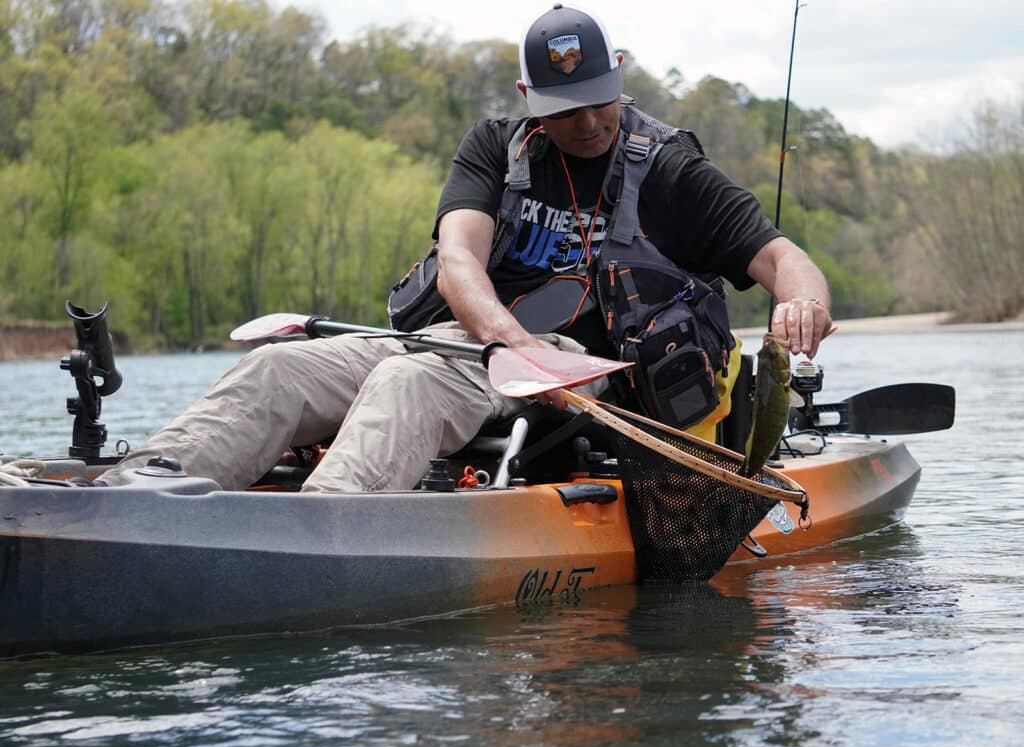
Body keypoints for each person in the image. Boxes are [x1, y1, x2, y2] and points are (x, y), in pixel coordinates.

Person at [99, 4, 833, 493]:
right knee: (280, 366)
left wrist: (802, 302)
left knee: (407, 386)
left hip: (582, 368)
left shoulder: (668, 166)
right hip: (473, 342)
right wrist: (504, 341)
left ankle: (319, 524)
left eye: (600, 100)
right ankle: (139, 493)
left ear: (620, 81)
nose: (587, 124)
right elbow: (458, 263)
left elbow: (781, 258)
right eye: (565, 109)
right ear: (527, 95)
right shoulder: (494, 147)